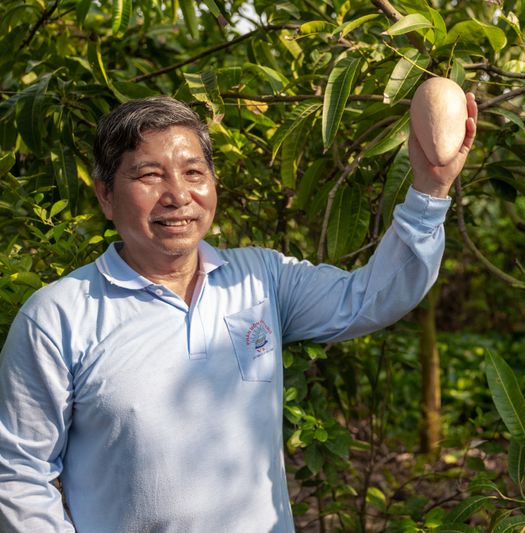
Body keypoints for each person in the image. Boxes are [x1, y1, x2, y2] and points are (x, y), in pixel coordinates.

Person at [0, 93, 477, 532]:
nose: (177, 195)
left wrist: (429, 191)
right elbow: (18, 474)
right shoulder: (58, 316)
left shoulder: (261, 278)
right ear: (105, 194)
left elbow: (371, 298)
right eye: (150, 175)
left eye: (193, 173)